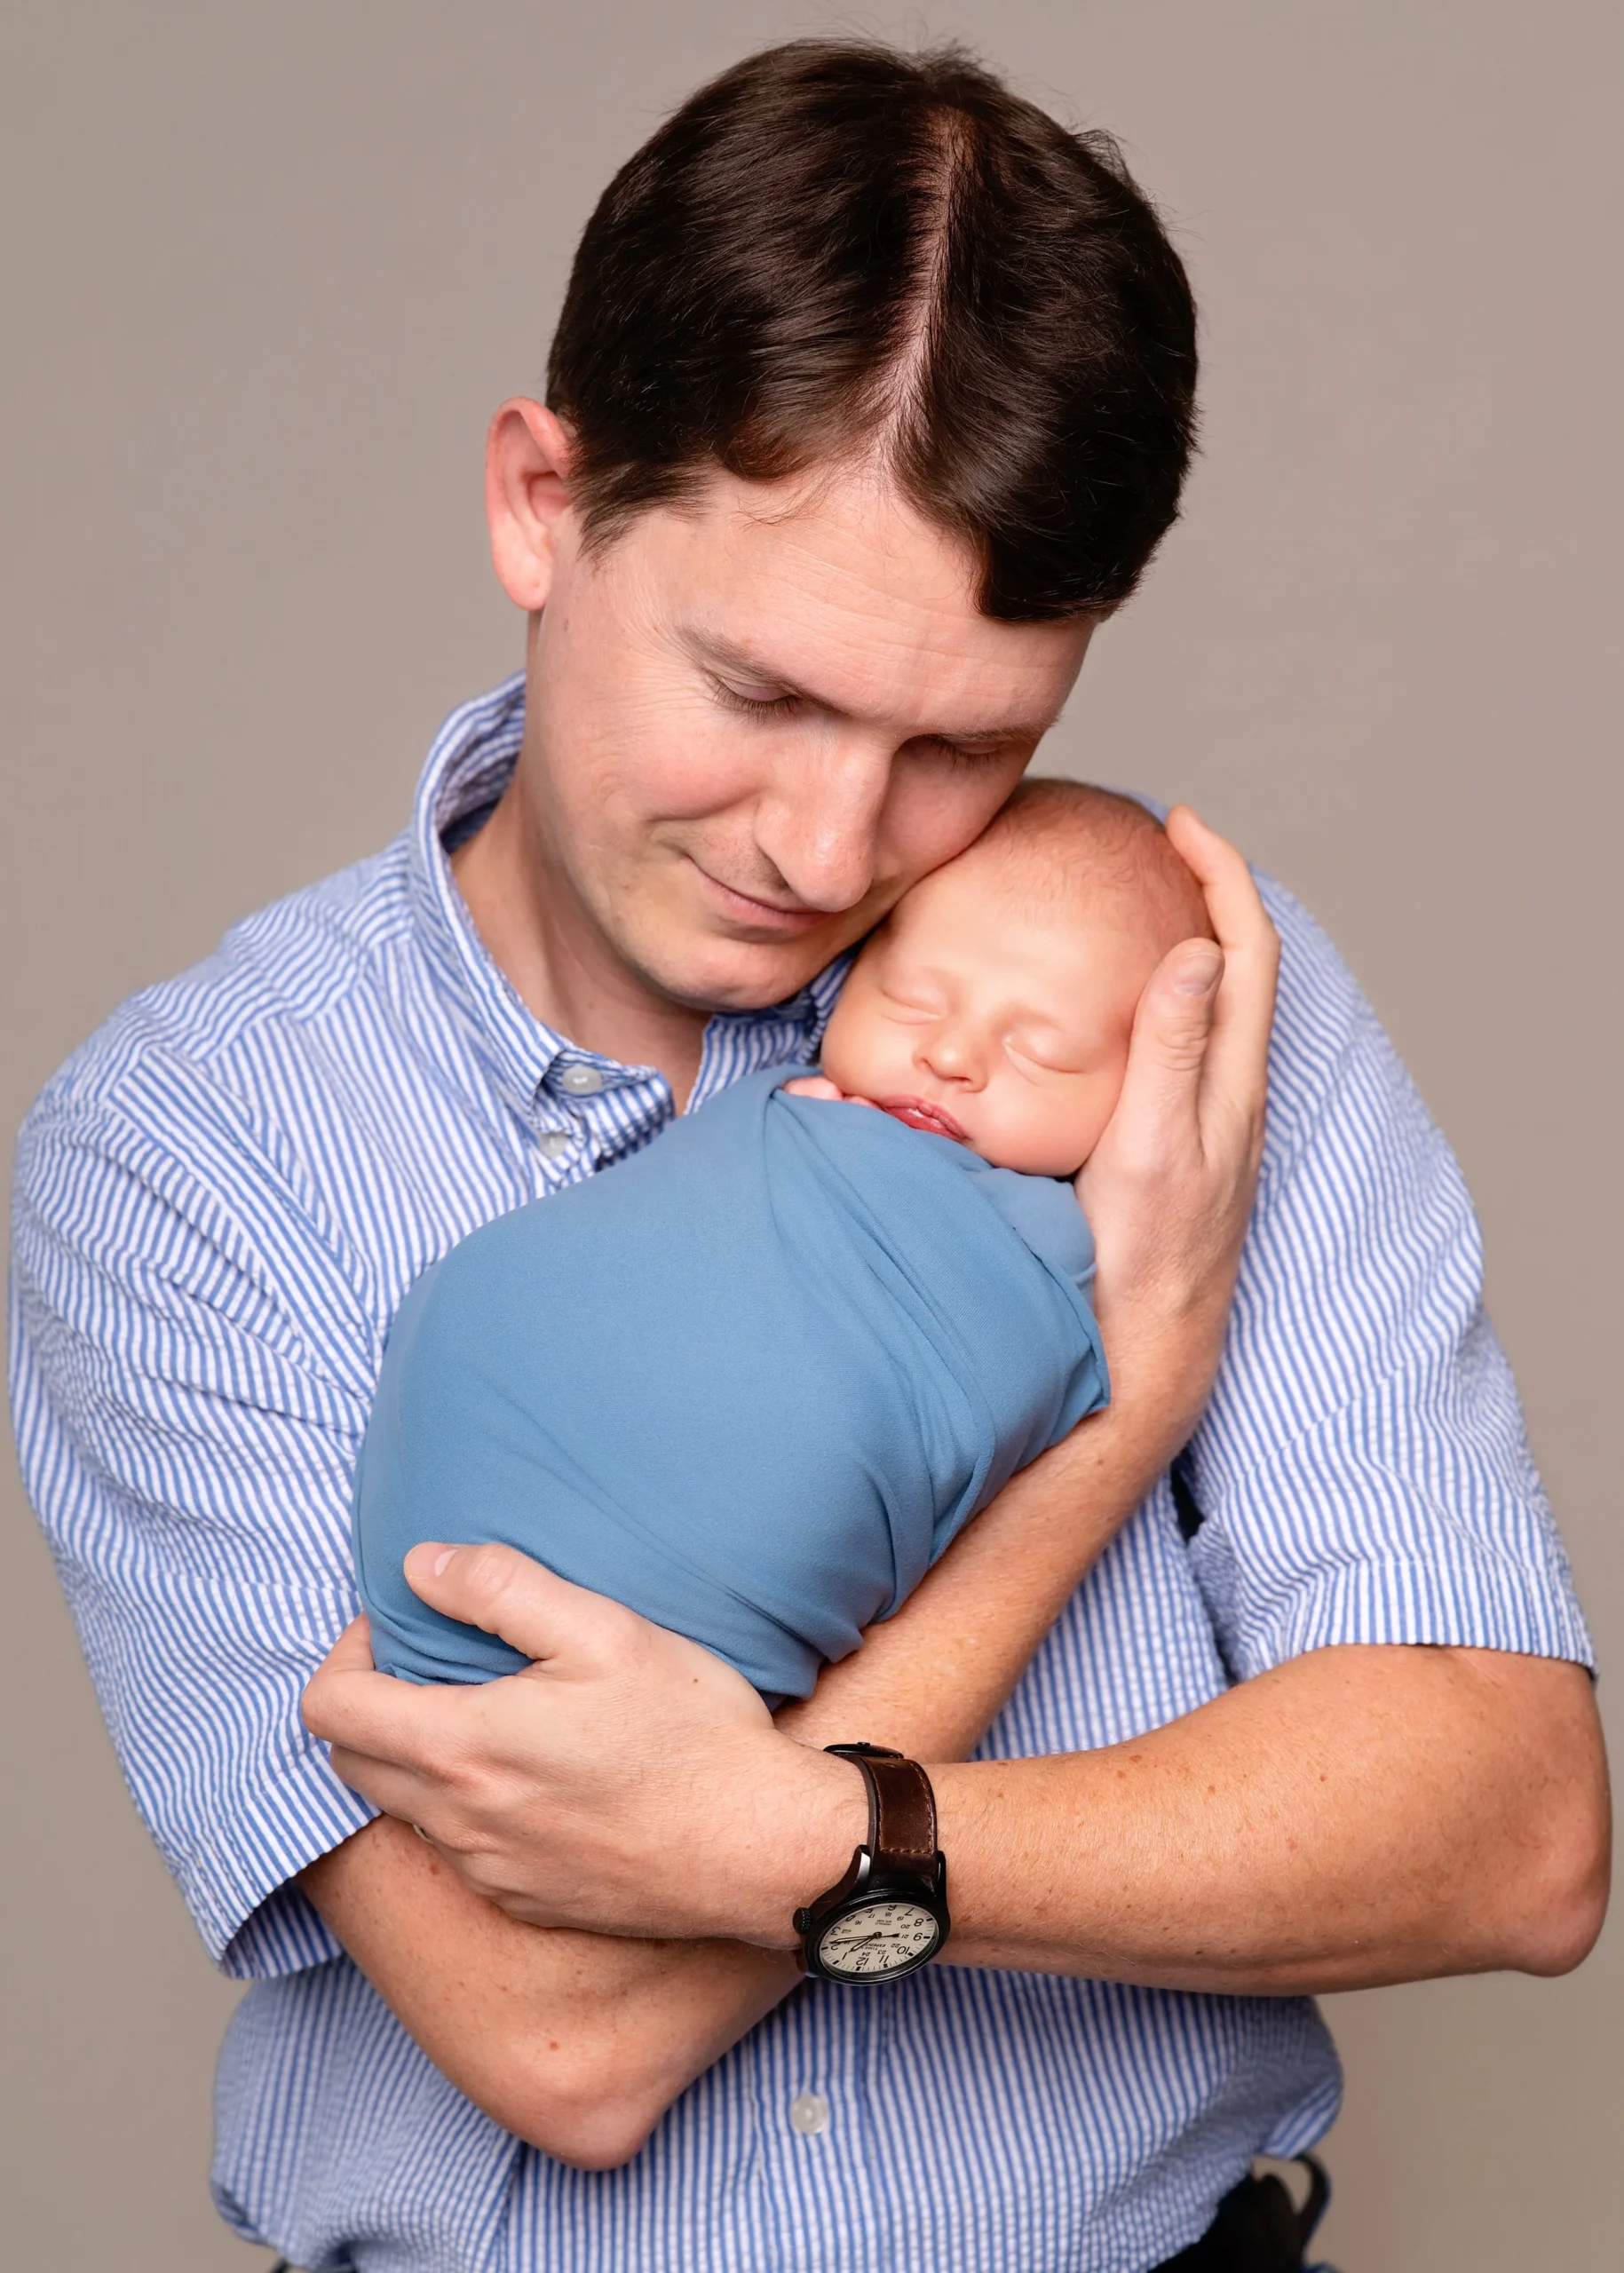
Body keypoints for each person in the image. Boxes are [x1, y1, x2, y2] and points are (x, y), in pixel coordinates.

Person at [8, 38, 1604, 2273]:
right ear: (541, 504)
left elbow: (1513, 1831)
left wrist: (815, 1829)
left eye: (962, 740)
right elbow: (562, 2038)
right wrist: (1103, 1429)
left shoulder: (1171, 992)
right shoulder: (184, 1155)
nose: (829, 844)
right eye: (757, 693)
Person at [355, 784, 1194, 1706]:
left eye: (1044, 1052)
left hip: (700, 1625)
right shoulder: (783, 1104)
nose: (952, 1055)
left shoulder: (1053, 1237)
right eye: (911, 999)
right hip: (468, 1499)